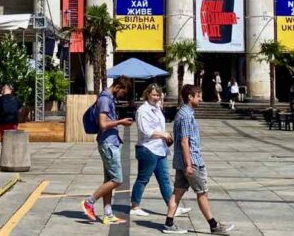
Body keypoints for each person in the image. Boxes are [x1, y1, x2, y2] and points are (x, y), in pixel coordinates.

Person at [163, 84, 234, 234]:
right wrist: (189, 164)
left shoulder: (183, 113)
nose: (200, 99)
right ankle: (214, 225)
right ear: (190, 97)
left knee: (177, 192)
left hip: (181, 161)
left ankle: (169, 223)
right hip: (191, 161)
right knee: (202, 192)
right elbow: (184, 141)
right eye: (198, 96)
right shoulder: (186, 115)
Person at [130, 84, 190, 218]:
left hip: (160, 149)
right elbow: (145, 131)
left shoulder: (157, 108)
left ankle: (172, 206)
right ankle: (135, 206)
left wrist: (165, 134)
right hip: (147, 148)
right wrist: (163, 134)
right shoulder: (143, 110)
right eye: (154, 95)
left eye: (158, 95)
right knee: (143, 179)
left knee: (165, 179)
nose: (156, 97)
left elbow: (159, 125)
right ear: (147, 94)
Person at [82, 76, 134, 226]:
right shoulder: (105, 99)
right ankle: (89, 202)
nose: (122, 96)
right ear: (117, 87)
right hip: (108, 144)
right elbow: (103, 124)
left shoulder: (108, 98)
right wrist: (121, 122)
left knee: (109, 180)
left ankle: (108, 214)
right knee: (117, 179)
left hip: (110, 142)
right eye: (123, 92)